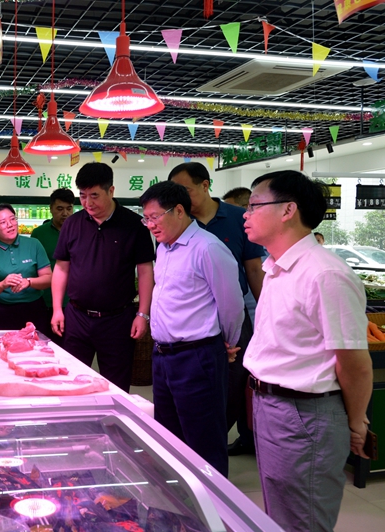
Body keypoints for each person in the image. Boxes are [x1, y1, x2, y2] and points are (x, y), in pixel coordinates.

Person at [242, 170, 372, 531]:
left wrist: (356, 422)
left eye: (254, 205)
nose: (245, 214)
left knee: (303, 517)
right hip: (272, 406)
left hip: (304, 414)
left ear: (288, 210)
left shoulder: (324, 274)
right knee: (280, 510)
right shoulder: (277, 267)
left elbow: (354, 363)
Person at [140, 181, 245, 477]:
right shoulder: (164, 248)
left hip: (197, 356)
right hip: (163, 356)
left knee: (204, 439)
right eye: (146, 219)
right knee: (169, 434)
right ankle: (179, 497)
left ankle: (212, 502)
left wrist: (226, 344)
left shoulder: (208, 248)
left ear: (179, 211)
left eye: (155, 217)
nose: (150, 225)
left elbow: (231, 305)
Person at [169, 162, 265, 456]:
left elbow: (253, 269)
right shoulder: (178, 220)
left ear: (205, 185)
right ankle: (191, 446)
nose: (180, 199)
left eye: (185, 190)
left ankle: (213, 444)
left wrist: (265, 316)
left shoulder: (237, 218)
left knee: (234, 383)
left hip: (233, 313)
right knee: (193, 384)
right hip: (192, 319)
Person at [51, 162, 155, 392]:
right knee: (70, 381)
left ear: (111, 191)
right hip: (77, 317)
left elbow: (145, 271)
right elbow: (61, 268)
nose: (88, 203)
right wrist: (58, 309)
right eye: (83, 196)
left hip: (117, 319)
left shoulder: (133, 225)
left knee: (116, 386)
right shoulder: (72, 224)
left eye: (94, 195)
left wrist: (143, 314)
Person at [0, 204, 53, 337]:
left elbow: (49, 278)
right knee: (6, 347)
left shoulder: (34, 244)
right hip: (4, 312)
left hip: (34, 309)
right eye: (2, 222)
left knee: (36, 346)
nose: (10, 225)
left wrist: (29, 282)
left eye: (12, 219)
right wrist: (2, 284)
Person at [31, 188, 75, 336]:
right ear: (51, 209)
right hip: (46, 299)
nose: (65, 213)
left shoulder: (80, 231)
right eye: (60, 209)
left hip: (74, 300)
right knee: (46, 340)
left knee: (70, 343)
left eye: (69, 208)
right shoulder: (39, 234)